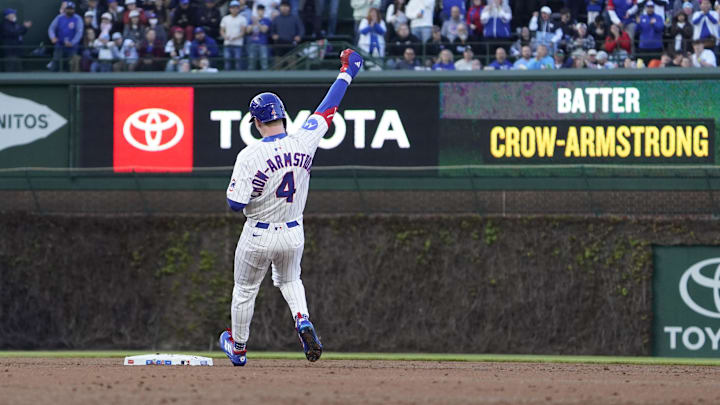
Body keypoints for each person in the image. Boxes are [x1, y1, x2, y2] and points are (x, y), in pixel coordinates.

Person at [219, 49, 364, 367]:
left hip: (258, 233)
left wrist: (257, 188)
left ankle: (239, 348)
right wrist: (347, 72)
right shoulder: (305, 140)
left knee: (245, 289)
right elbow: (328, 108)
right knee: (289, 280)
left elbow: (234, 204)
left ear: (257, 122)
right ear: (282, 116)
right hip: (293, 232)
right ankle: (302, 320)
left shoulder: (250, 155)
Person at [48, 1, 84, 72]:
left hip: (72, 47)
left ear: (74, 9)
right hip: (60, 44)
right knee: (56, 63)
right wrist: (53, 37)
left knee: (71, 65)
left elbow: (79, 33)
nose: (70, 10)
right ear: (65, 9)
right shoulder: (59, 17)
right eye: (68, 9)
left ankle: (72, 82)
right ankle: (52, 81)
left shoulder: (78, 19)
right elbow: (51, 28)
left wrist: (72, 42)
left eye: (71, 9)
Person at [221, 0, 247, 71]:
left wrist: (236, 37)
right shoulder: (225, 18)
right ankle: (226, 79)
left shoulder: (242, 18)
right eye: (232, 7)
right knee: (227, 61)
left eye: (236, 7)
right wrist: (225, 36)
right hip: (227, 43)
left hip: (238, 44)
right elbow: (222, 30)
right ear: (229, 9)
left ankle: (239, 79)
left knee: (238, 61)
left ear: (239, 9)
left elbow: (243, 32)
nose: (234, 9)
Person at [247, 4, 271, 70]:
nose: (260, 11)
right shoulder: (251, 20)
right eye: (259, 10)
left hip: (263, 44)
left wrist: (257, 22)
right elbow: (248, 31)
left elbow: (264, 30)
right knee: (251, 63)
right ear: (257, 11)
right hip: (253, 43)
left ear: (264, 11)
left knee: (264, 63)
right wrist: (253, 23)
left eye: (262, 10)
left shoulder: (267, 20)